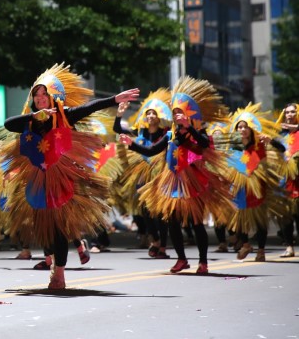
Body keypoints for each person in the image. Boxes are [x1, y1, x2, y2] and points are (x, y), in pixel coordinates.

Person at [2, 64, 139, 289]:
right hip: (38, 178)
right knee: (44, 227)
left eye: (44, 94)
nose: (40, 98)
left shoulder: (66, 115)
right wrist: (35, 116)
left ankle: (59, 274)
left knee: (58, 228)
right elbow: (8, 124)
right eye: (36, 95)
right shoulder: (30, 120)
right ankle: (56, 264)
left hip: (61, 176)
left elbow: (90, 107)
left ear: (52, 97)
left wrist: (115, 99)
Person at [123, 76, 233, 275]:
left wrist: (189, 126)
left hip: (194, 181)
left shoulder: (198, 132)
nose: (177, 117)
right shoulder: (169, 134)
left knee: (197, 222)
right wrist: (131, 144)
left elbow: (204, 144)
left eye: (180, 113)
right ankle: (181, 259)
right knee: (172, 221)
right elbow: (151, 151)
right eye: (174, 113)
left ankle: (203, 262)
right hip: (172, 180)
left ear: (189, 114)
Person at [221, 105, 286, 262]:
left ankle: (261, 250)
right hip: (238, 187)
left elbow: (282, 149)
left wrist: (272, 141)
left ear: (250, 129)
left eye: (245, 127)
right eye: (240, 127)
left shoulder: (260, 144)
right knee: (240, 217)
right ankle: (245, 244)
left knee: (259, 219)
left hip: (257, 186)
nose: (242, 130)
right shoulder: (233, 148)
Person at [114, 89, 173, 259]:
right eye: (148, 113)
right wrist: (119, 114)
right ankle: (154, 239)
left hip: (160, 177)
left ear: (159, 116)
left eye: (154, 113)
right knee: (145, 211)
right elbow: (117, 129)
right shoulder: (139, 133)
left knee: (160, 214)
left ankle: (162, 245)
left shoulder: (165, 134)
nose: (150, 116)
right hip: (143, 177)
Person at [276, 103, 299, 257]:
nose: (289, 115)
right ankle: (289, 246)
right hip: (284, 181)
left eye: (292, 112)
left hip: (298, 181)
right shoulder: (282, 136)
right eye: (287, 112)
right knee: (285, 217)